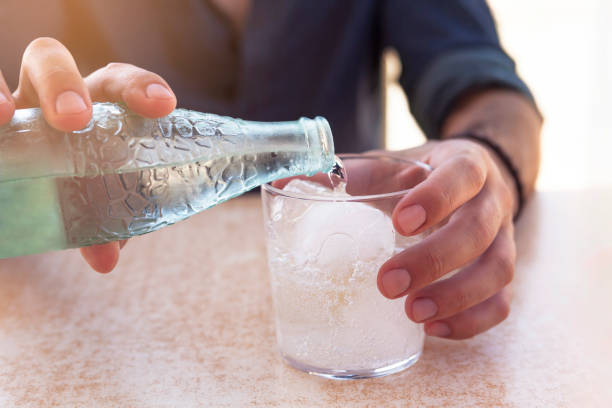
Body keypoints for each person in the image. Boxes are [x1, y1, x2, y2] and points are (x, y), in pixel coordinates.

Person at [0, 0, 541, 340]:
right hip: (125, 331)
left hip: (348, 309)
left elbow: (485, 81)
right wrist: (25, 135)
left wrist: (483, 156)